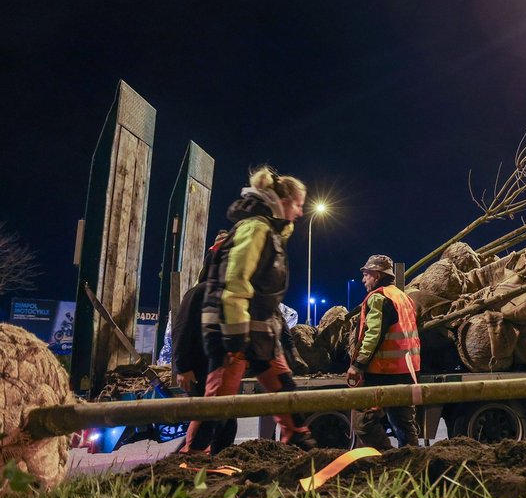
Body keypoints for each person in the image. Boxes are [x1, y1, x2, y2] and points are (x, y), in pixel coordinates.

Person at [183, 166, 317, 453]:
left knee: (286, 394)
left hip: (258, 336)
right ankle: (189, 461)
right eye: (298, 205)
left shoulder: (269, 232)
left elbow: (263, 299)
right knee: (217, 405)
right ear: (283, 201)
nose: (300, 212)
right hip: (234, 336)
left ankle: (301, 448)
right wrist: (234, 339)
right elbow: (235, 284)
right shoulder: (256, 229)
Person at [172, 229, 237, 452]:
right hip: (199, 371)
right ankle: (188, 462)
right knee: (208, 422)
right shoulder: (199, 293)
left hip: (218, 370)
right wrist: (183, 367)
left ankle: (215, 461)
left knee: (225, 423)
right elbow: (182, 330)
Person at [347, 254, 421, 450]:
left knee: (363, 421)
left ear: (377, 275)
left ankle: (386, 455)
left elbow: (374, 334)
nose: (363, 279)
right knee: (403, 424)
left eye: (366, 274)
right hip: (406, 370)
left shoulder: (379, 297)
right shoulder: (403, 297)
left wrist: (358, 365)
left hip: (383, 371)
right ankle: (412, 461)